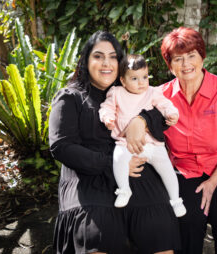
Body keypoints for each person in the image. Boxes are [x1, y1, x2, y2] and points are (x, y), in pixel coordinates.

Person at [125, 27, 217, 254]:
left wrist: (213, 182)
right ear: (170, 64)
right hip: (186, 171)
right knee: (186, 220)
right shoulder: (161, 96)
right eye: (178, 59)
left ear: (202, 57)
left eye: (191, 56)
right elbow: (138, 113)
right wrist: (138, 122)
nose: (186, 64)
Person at [49, 31, 180, 254]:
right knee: (98, 231)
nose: (106, 63)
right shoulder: (70, 97)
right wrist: (112, 163)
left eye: (112, 56)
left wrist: (142, 120)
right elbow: (61, 146)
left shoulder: (130, 89)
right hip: (89, 176)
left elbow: (163, 115)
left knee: (158, 226)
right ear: (85, 60)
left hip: (136, 170)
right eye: (98, 56)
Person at [99, 54, 186, 217]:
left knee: (167, 170)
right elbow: (106, 107)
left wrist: (172, 113)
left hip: (152, 144)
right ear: (123, 81)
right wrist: (107, 118)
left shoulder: (152, 92)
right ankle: (124, 190)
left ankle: (176, 200)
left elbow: (165, 104)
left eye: (144, 77)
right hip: (126, 144)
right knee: (118, 159)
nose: (141, 82)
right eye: (134, 78)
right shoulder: (116, 92)